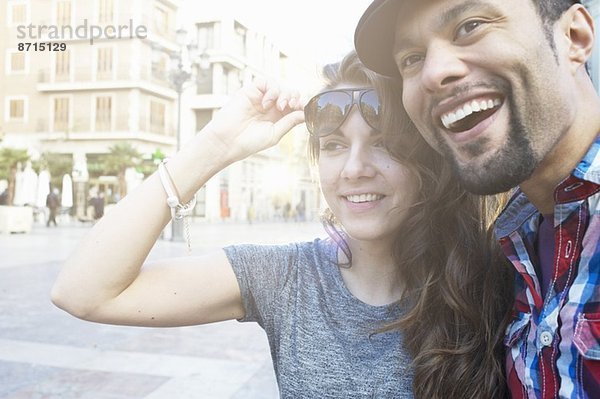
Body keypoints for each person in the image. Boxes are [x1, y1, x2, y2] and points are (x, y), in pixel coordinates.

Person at [51, 52, 511, 398]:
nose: (354, 168)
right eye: (332, 145)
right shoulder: (286, 278)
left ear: (426, 158)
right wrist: (217, 143)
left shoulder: (492, 275)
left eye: (384, 143)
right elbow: (84, 292)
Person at [354, 0, 600, 397]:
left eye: (470, 26)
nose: (435, 72)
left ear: (574, 37)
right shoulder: (518, 242)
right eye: (412, 58)